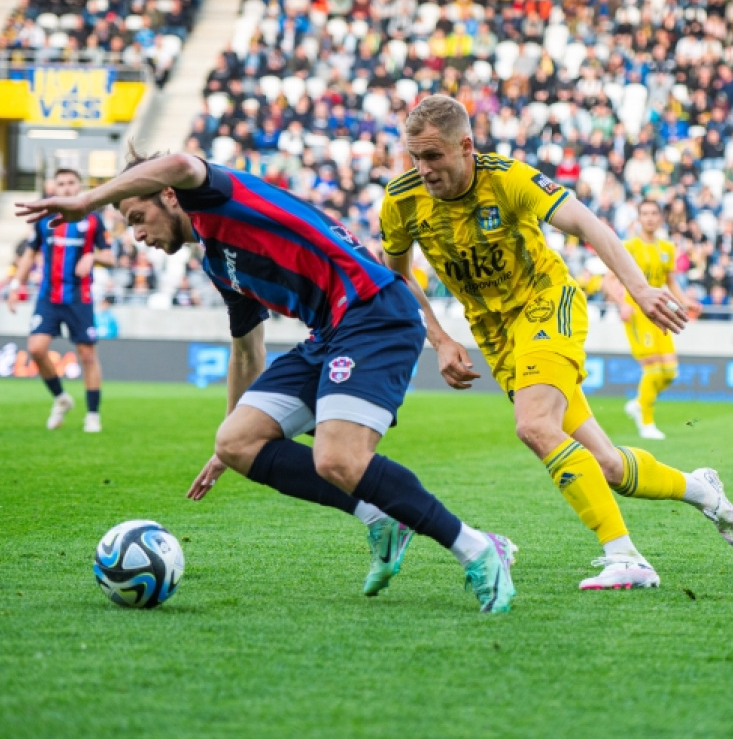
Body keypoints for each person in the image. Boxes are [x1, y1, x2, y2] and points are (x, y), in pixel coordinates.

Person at [15, 148, 517, 614]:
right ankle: (380, 516)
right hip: (331, 333)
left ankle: (477, 547)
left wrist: (87, 199)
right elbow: (247, 348)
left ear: (169, 196)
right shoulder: (216, 260)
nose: (137, 235)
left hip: (374, 311)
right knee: (236, 440)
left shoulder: (216, 195)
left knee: (339, 457)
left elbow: (179, 162)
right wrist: (230, 443)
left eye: (137, 218)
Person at [379, 95, 733, 591]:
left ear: (466, 146)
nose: (423, 169)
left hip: (547, 302)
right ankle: (703, 491)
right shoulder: (401, 199)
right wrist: (440, 337)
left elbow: (586, 223)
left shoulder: (508, 178)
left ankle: (626, 557)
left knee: (534, 424)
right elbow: (397, 273)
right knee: (608, 466)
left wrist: (639, 288)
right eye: (415, 157)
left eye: (433, 156)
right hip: (498, 335)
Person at [7, 168, 114, 432]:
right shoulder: (44, 220)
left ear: (78, 187)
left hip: (79, 297)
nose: (66, 188)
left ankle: (92, 414)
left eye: (71, 183)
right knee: (36, 349)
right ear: (54, 188)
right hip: (48, 296)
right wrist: (16, 285)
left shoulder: (93, 221)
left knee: (87, 354)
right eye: (61, 184)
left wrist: (94, 257)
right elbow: (30, 254)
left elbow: (110, 256)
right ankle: (60, 398)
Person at [604, 199, 702, 440]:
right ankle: (646, 422)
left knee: (669, 372)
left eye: (653, 213)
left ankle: (639, 402)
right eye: (644, 213)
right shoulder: (628, 246)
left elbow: (670, 283)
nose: (649, 218)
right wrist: (622, 303)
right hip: (638, 312)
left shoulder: (667, 248)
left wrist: (685, 301)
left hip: (661, 311)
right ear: (638, 218)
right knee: (653, 369)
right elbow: (608, 280)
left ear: (660, 218)